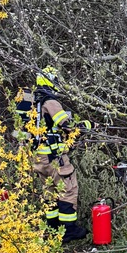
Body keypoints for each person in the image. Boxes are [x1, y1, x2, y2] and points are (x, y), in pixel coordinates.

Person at [25, 68, 91, 242]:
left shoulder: (31, 102)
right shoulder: (50, 102)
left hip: (38, 158)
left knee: (49, 192)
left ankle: (53, 229)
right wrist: (87, 125)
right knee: (68, 190)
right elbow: (68, 126)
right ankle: (69, 231)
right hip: (54, 158)